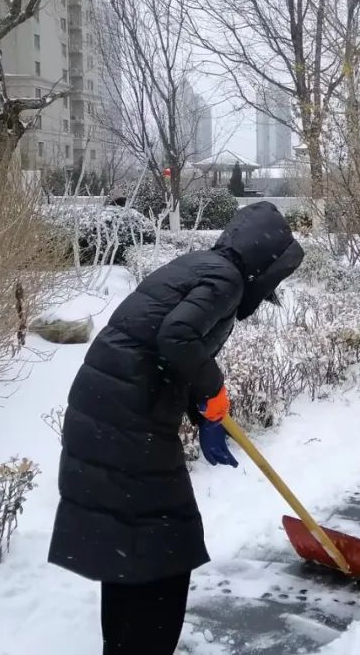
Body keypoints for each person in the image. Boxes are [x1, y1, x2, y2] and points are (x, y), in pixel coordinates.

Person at [48, 201, 304, 655]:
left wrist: (198, 409)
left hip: (106, 410)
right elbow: (176, 337)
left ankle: (125, 647)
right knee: (166, 544)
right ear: (263, 262)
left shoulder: (196, 266)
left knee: (128, 542)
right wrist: (214, 388)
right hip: (128, 422)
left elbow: (156, 346)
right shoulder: (224, 279)